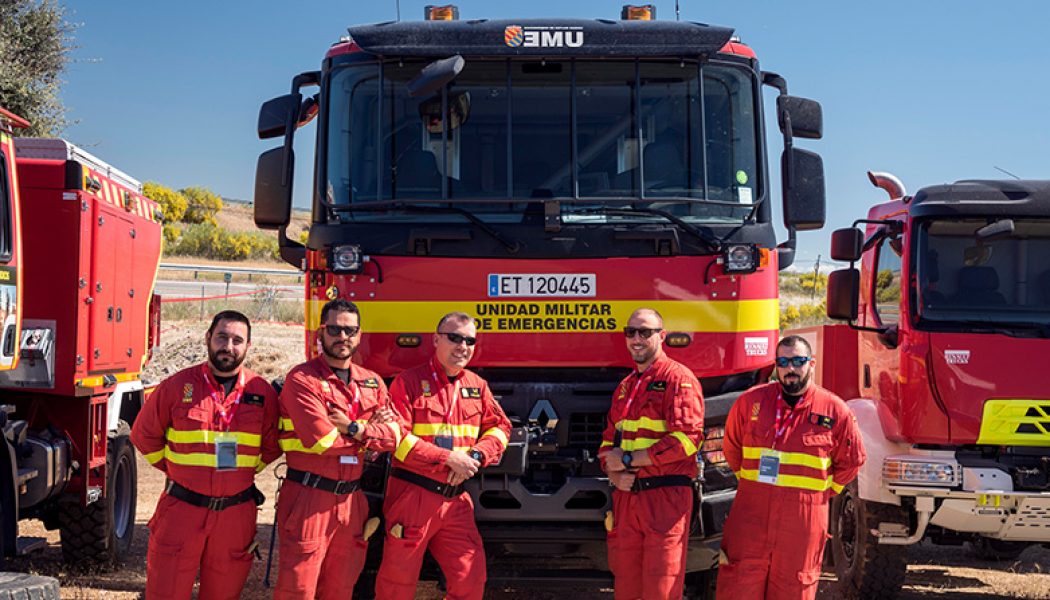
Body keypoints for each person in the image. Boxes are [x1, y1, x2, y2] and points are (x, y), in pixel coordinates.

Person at [131, 310, 280, 600]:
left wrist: (243, 472)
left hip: (235, 515)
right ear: (208, 338)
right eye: (222, 337)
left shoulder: (261, 392)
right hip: (182, 509)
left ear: (248, 347)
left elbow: (273, 445)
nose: (228, 346)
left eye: (238, 340)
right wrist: (179, 468)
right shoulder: (176, 386)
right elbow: (143, 435)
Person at [716, 335, 866, 600]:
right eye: (783, 362)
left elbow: (852, 459)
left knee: (794, 588)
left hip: (802, 524)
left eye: (798, 361)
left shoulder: (834, 410)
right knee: (739, 585)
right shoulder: (750, 403)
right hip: (751, 520)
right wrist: (754, 484)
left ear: (812, 363)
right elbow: (731, 448)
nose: (791, 369)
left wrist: (822, 492)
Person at [375, 312, 511, 600]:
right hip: (414, 496)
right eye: (455, 337)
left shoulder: (477, 385)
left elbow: (501, 428)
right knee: (396, 585)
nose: (463, 345)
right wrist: (448, 458)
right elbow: (397, 439)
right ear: (436, 339)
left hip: (456, 500)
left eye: (470, 340)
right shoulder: (407, 382)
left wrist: (476, 454)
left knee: (471, 580)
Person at [274, 298, 400, 599]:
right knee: (299, 589)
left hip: (352, 501)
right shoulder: (302, 379)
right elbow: (322, 441)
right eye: (335, 329)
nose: (343, 337)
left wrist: (354, 427)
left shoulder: (372, 382)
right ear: (321, 333)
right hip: (309, 497)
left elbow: (395, 436)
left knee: (341, 588)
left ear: (359, 335)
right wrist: (372, 432)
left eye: (350, 330)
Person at [598, 308, 705, 600]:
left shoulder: (678, 379)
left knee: (661, 588)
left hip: (665, 499)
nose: (636, 338)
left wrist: (630, 460)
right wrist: (614, 473)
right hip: (627, 499)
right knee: (627, 588)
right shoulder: (625, 387)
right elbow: (609, 442)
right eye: (630, 332)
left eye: (645, 332)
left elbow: (687, 439)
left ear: (662, 336)